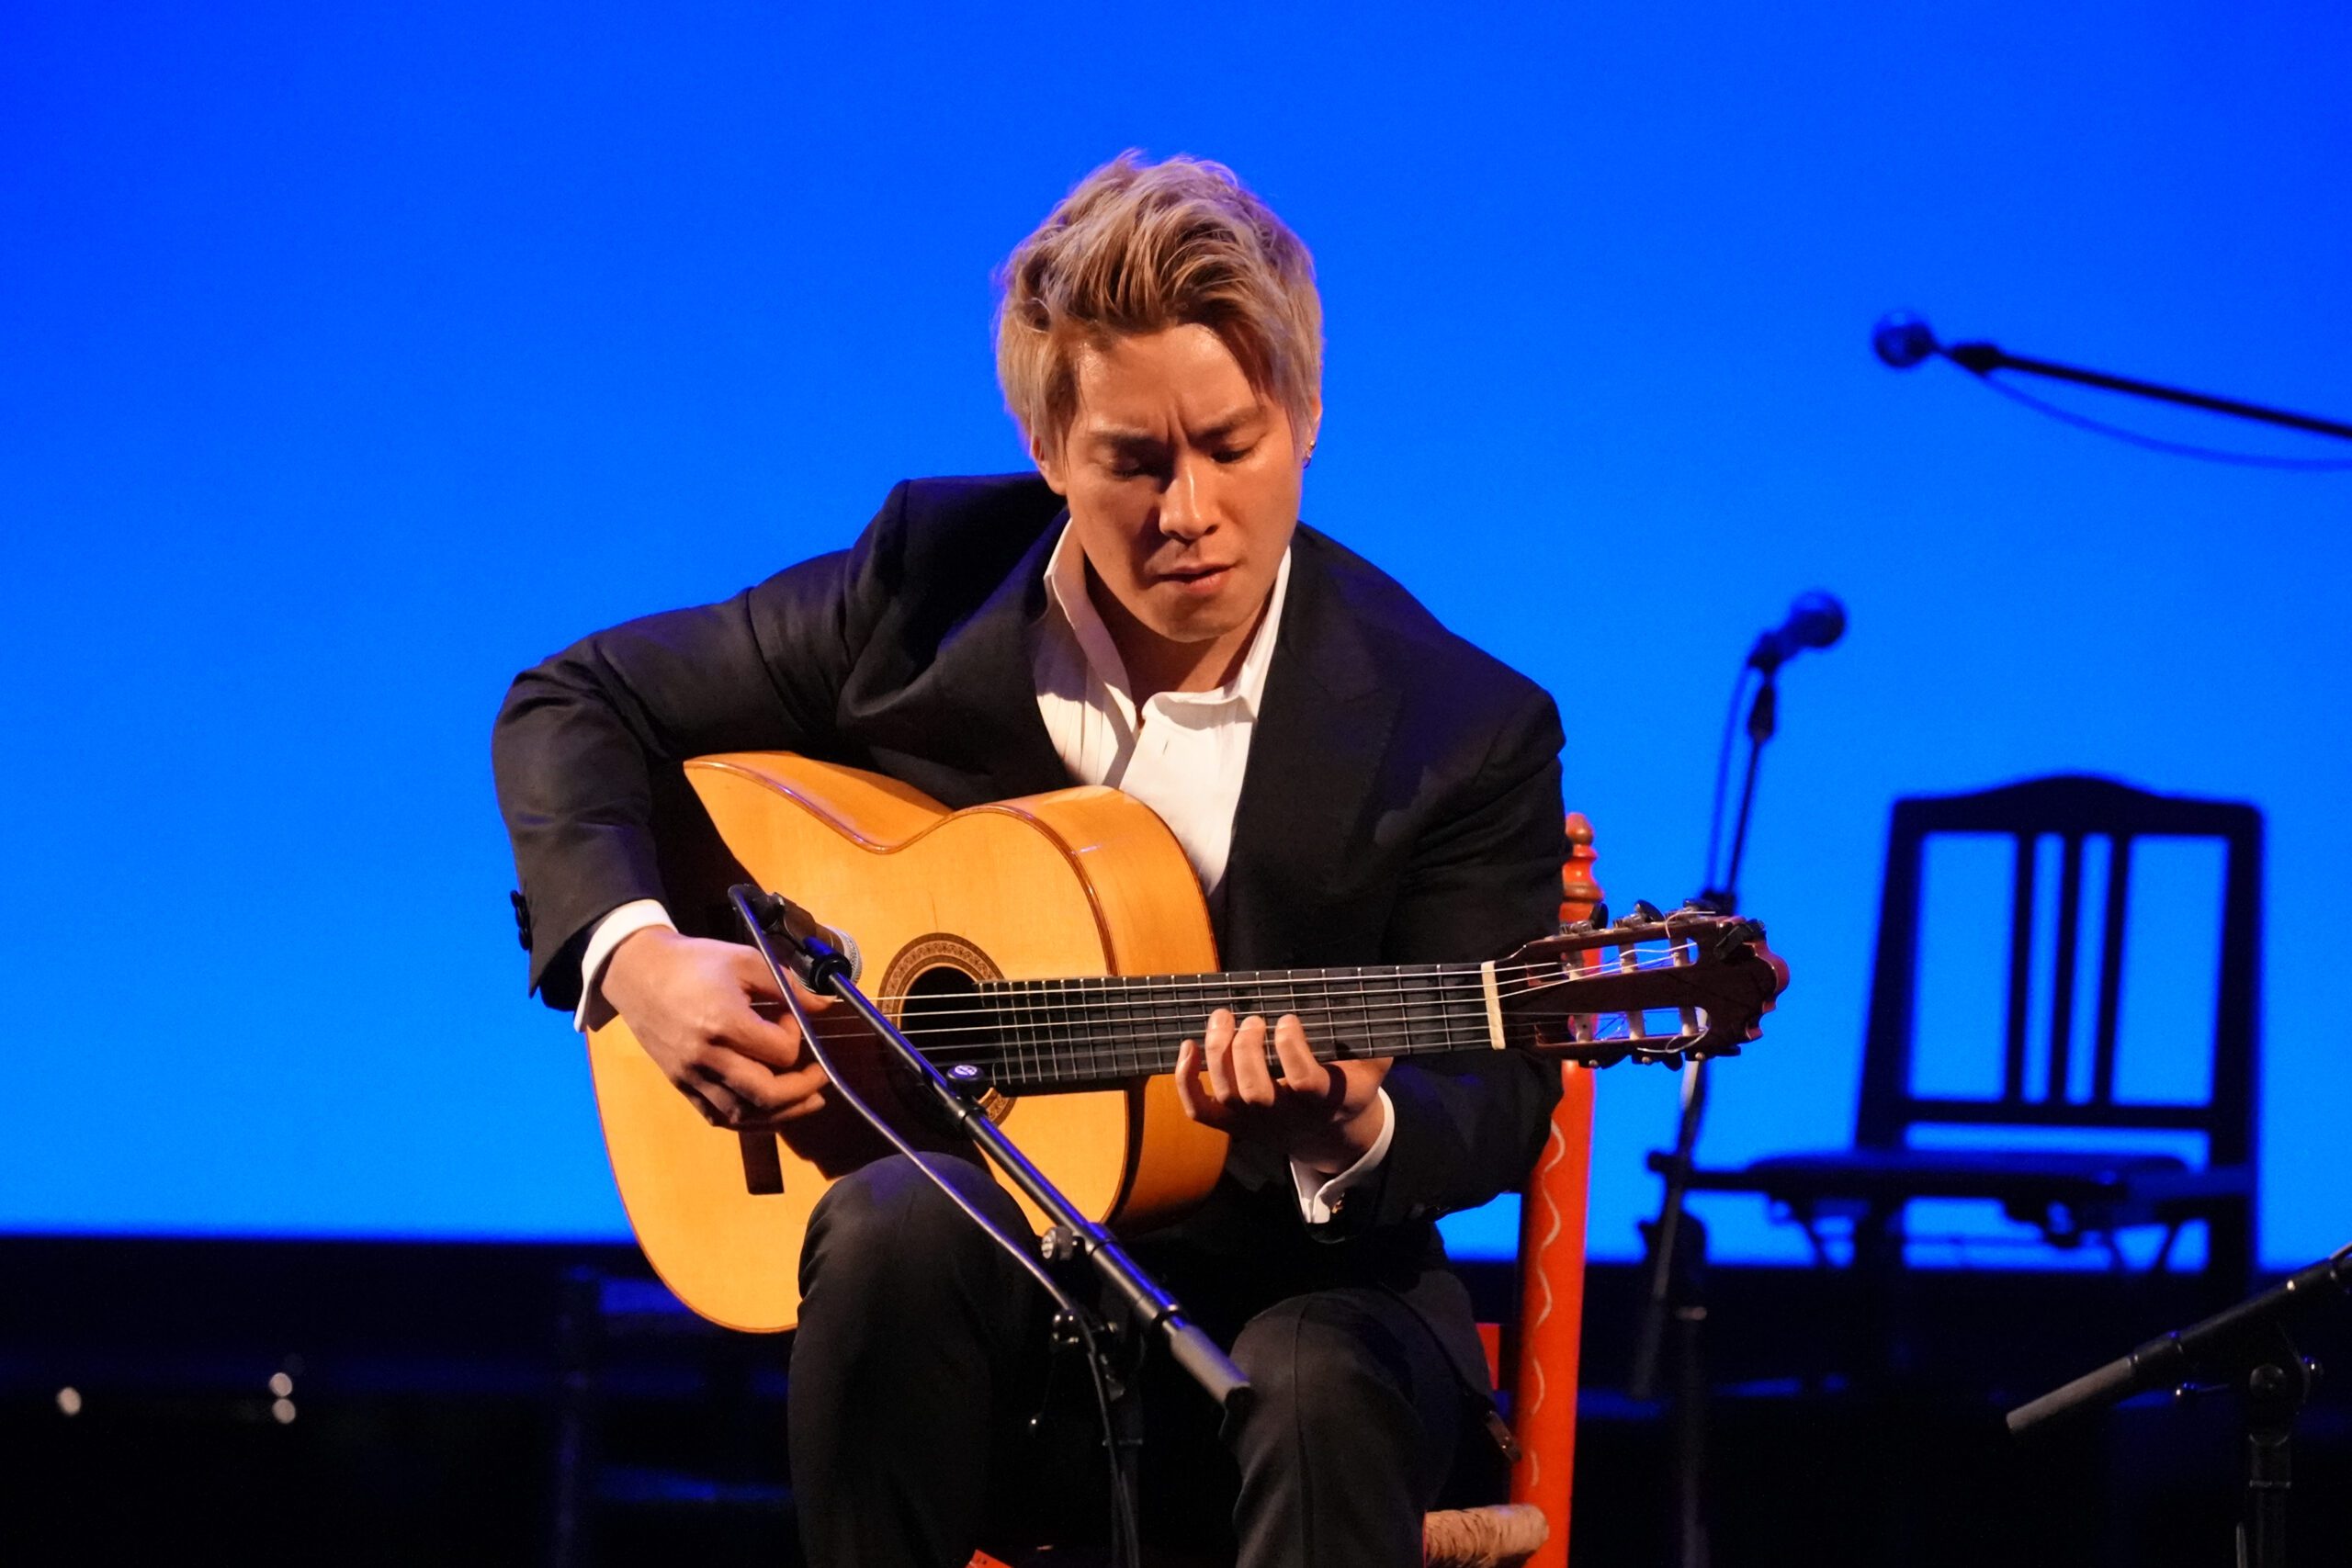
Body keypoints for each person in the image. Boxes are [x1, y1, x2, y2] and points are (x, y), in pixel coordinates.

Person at [493, 152, 1567, 1568]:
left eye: (1231, 447)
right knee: (892, 1226)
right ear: (1050, 453)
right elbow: (577, 702)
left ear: (1304, 419)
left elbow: (1491, 1089)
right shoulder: (928, 587)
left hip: (1293, 1325)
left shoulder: (1459, 724)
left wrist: (1344, 1128)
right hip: (995, 1358)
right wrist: (637, 959)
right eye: (1131, 461)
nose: (1186, 511)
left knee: (1312, 1390)